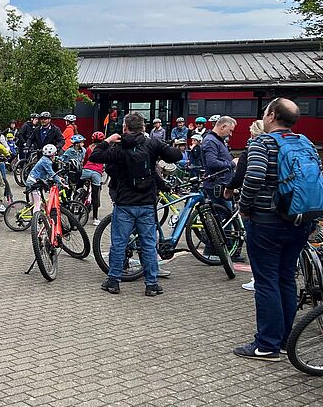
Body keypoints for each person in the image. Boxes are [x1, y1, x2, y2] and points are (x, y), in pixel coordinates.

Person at [233, 98, 319, 361]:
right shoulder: (306, 143)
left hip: (267, 222)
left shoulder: (263, 143)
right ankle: (283, 341)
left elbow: (255, 176)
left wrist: (245, 206)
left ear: (270, 116)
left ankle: (266, 345)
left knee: (266, 281)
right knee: (286, 279)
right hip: (300, 220)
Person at [89, 112, 183, 297]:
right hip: (147, 203)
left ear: (125, 128)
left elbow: (95, 156)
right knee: (148, 244)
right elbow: (176, 155)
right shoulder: (151, 144)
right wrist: (163, 148)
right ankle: (151, 284)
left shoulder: (119, 146)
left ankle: (114, 281)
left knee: (119, 243)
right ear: (144, 127)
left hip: (124, 202)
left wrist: (108, 139)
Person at [225, 119, 265, 293]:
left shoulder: (251, 151)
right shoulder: (282, 148)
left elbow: (241, 176)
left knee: (256, 245)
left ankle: (258, 280)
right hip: (284, 208)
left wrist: (242, 205)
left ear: (252, 134)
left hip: (258, 208)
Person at [202, 116, 237, 207]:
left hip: (220, 184)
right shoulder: (211, 141)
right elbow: (212, 163)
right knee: (226, 216)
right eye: (230, 130)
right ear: (223, 127)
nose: (231, 134)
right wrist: (232, 164)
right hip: (216, 185)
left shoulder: (216, 140)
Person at [81, 132, 106, 225]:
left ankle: (76, 201)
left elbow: (86, 159)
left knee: (79, 185)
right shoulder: (104, 148)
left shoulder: (89, 147)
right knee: (95, 194)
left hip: (86, 170)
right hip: (96, 172)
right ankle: (95, 218)